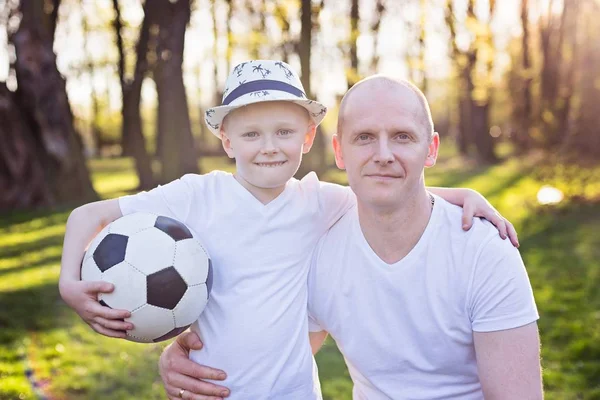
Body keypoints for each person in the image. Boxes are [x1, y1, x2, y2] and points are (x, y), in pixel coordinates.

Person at [59, 61, 516, 400]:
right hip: (211, 391)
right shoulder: (195, 196)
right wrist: (68, 285)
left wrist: (463, 195)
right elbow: (86, 216)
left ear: (308, 138)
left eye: (284, 131)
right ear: (227, 140)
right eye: (251, 134)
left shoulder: (318, 200)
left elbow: (394, 189)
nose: (269, 147)